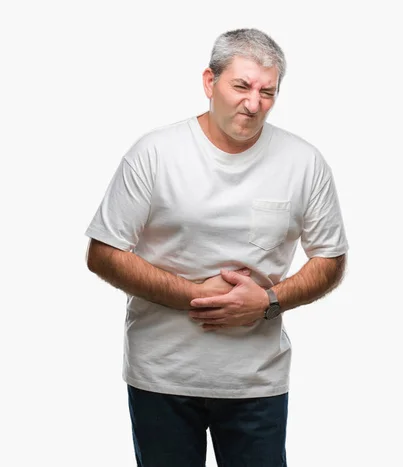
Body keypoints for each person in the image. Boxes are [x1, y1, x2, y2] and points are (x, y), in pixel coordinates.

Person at [85, 28, 348, 467]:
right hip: (162, 375)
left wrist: (267, 301)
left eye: (267, 91)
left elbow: (330, 259)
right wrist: (197, 296)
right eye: (241, 86)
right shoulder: (155, 153)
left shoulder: (304, 162)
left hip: (256, 381)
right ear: (210, 82)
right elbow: (103, 252)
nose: (253, 103)